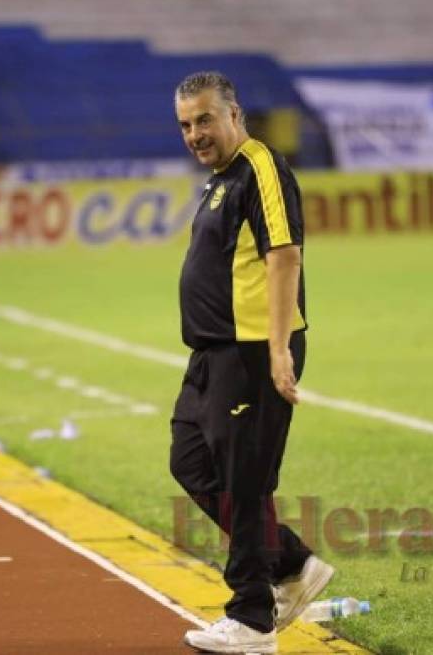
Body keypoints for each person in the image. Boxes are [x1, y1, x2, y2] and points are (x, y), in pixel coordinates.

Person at [169, 71, 334, 654]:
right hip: (212, 354)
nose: (195, 133)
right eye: (186, 123)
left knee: (243, 484)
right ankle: (290, 563)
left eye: (205, 120)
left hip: (250, 351)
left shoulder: (261, 168)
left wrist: (279, 346)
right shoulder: (220, 180)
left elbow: (285, 255)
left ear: (234, 116)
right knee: (189, 459)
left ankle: (252, 621)